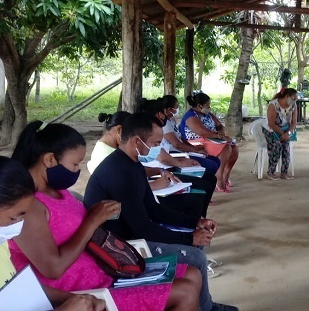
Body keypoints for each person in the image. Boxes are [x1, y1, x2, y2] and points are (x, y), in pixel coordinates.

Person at [9, 122, 201, 311]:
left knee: (193, 274)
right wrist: (92, 220)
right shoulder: (28, 207)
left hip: (106, 269)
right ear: (50, 160)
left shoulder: (59, 191)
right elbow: (53, 268)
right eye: (75, 164)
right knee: (186, 291)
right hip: (79, 291)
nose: (78, 170)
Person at [84, 113, 237, 311]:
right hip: (123, 247)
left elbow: (154, 209)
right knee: (196, 256)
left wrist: (194, 223)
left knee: (198, 246)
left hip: (133, 234)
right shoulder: (120, 174)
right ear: (136, 141)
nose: (157, 148)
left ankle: (204, 304)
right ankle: (206, 308)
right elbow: (142, 229)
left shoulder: (132, 163)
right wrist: (189, 238)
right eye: (155, 143)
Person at [0, 156, 107, 311]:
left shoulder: (2, 244)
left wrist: (73, 299)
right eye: (13, 217)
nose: (18, 224)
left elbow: (16, 288)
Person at [88, 110, 213, 219]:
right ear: (120, 130)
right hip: (127, 207)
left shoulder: (120, 152)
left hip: (142, 194)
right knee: (193, 201)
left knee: (197, 195)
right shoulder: (107, 157)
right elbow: (124, 192)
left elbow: (137, 172)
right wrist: (153, 185)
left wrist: (160, 171)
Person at [179, 91, 238, 192]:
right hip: (196, 142)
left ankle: (225, 175)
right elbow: (202, 132)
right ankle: (219, 179)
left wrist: (221, 131)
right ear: (199, 105)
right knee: (226, 148)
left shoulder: (208, 114)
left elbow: (219, 125)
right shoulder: (190, 116)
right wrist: (220, 136)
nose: (209, 107)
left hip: (212, 139)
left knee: (234, 149)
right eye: (207, 105)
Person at [161, 94, 222, 176]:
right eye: (176, 107)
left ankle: (207, 180)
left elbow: (181, 139)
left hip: (183, 152)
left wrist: (193, 148)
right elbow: (177, 144)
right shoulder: (165, 124)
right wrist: (195, 150)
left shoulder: (170, 121)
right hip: (176, 154)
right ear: (168, 109)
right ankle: (203, 181)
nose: (178, 109)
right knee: (211, 165)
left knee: (216, 161)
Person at [263, 88, 298, 180]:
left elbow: (294, 122)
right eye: (293, 98)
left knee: (286, 148)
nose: (294, 100)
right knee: (277, 147)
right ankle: (271, 172)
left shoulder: (294, 105)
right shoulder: (273, 105)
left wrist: (288, 133)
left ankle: (284, 173)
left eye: (296, 99)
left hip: (286, 129)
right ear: (286, 97)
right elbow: (271, 124)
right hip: (270, 129)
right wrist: (283, 134)